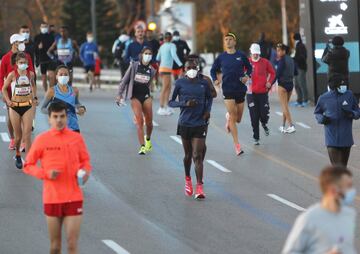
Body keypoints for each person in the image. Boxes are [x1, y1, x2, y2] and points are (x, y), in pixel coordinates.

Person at [23, 101, 91, 254]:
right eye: (55, 117)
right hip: (52, 197)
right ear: (49, 119)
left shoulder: (76, 138)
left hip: (73, 197)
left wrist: (85, 173)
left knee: (72, 244)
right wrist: (45, 174)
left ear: (67, 118)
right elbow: (28, 165)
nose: (59, 120)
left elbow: (86, 161)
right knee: (55, 246)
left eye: (62, 116)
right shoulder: (42, 140)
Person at [282, 165, 357, 254]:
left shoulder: (349, 215)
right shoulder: (309, 219)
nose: (353, 191)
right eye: (348, 186)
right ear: (333, 190)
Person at [169, 58, 213, 199]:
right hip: (185, 123)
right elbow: (171, 102)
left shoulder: (203, 83)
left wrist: (207, 110)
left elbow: (210, 97)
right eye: (189, 68)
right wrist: (185, 103)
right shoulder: (180, 82)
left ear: (198, 68)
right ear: (184, 70)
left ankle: (199, 188)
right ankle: (188, 179)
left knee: (197, 155)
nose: (192, 70)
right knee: (188, 156)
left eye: (194, 67)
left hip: (200, 123)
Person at [210, 32, 252, 155]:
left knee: (238, 119)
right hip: (227, 89)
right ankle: (237, 146)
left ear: (234, 42)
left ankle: (228, 118)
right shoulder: (221, 57)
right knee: (234, 117)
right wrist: (215, 80)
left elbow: (249, 68)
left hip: (240, 89)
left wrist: (247, 76)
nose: (228, 41)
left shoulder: (241, 55)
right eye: (226, 39)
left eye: (230, 39)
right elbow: (213, 70)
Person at [116, 47, 156, 155]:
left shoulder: (152, 70)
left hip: (146, 96)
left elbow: (149, 84)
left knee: (149, 122)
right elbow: (124, 80)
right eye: (146, 53)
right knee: (139, 121)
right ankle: (142, 146)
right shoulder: (134, 66)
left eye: (150, 54)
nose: (148, 55)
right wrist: (119, 95)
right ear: (141, 55)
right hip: (135, 96)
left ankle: (147, 139)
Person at [2, 52, 38, 169]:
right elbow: (3, 88)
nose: (23, 65)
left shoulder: (31, 74)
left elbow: (33, 85)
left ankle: (29, 161)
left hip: (27, 106)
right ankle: (17, 153)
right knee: (18, 137)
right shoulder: (12, 75)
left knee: (27, 135)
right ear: (16, 64)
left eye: (25, 63)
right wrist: (8, 100)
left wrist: (34, 97)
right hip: (15, 107)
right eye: (21, 63)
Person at [314, 74, 360, 167]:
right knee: (338, 168)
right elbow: (317, 113)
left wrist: (352, 114)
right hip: (332, 140)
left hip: (346, 140)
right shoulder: (324, 98)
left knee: (343, 168)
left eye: (344, 85)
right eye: (341, 85)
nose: (344, 87)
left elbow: (357, 111)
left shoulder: (349, 95)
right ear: (334, 87)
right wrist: (322, 119)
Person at [0, 34, 35, 150]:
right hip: (10, 93)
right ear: (14, 43)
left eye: (23, 42)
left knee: (25, 117)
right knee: (12, 118)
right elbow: (1, 77)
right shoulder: (6, 58)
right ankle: (12, 139)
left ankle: (24, 141)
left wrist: (33, 94)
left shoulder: (27, 56)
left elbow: (32, 72)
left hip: (25, 92)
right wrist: (3, 93)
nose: (22, 44)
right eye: (20, 42)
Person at [41, 65, 86, 133]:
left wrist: (81, 108)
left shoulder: (75, 90)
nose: (63, 76)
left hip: (73, 127)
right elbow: (42, 108)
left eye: (65, 74)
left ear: (69, 77)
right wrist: (56, 112)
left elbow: (76, 103)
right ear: (56, 76)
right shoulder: (51, 91)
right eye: (61, 74)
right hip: (57, 127)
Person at [247, 43, 275, 145]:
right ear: (251, 52)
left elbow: (273, 73)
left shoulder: (265, 62)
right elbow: (240, 74)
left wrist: (269, 82)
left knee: (263, 114)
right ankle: (256, 137)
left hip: (263, 93)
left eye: (257, 53)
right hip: (251, 94)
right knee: (254, 116)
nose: (255, 55)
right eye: (254, 53)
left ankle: (264, 123)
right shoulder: (247, 62)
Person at [156, 32, 183, 116]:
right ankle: (161, 107)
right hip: (167, 69)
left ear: (164, 38)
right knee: (165, 87)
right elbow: (174, 55)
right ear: (171, 38)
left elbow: (157, 58)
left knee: (168, 87)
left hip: (162, 68)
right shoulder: (172, 45)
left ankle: (166, 106)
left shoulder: (162, 46)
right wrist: (181, 64)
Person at [275, 43, 296, 134]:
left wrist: (269, 85)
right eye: (277, 50)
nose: (277, 52)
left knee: (284, 107)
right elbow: (296, 71)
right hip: (290, 84)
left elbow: (277, 74)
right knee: (285, 106)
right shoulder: (291, 59)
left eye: (279, 50)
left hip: (282, 85)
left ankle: (291, 126)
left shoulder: (282, 60)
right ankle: (283, 126)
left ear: (284, 51)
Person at [34, 22, 56, 91]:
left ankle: (51, 91)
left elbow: (54, 47)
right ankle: (46, 92)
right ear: (40, 28)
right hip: (42, 59)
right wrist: (38, 47)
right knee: (44, 78)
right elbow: (34, 49)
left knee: (51, 76)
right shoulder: (37, 37)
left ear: (47, 28)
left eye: (45, 27)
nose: (44, 28)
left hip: (50, 59)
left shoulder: (51, 36)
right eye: (42, 27)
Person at [293, 33, 308, 107]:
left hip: (301, 67)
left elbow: (303, 57)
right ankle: (299, 100)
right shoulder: (297, 46)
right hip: (296, 67)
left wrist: (295, 59)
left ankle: (305, 100)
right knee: (296, 84)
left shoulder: (301, 46)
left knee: (301, 83)